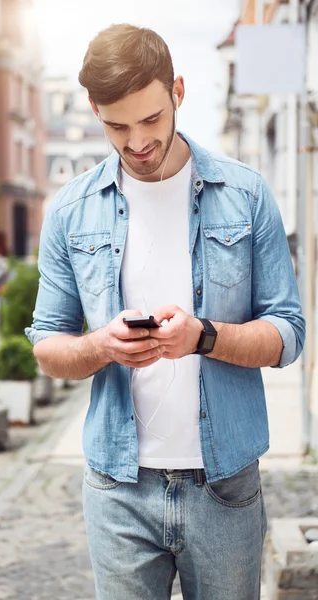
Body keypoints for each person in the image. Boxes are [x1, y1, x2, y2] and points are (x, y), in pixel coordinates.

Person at [25, 24, 305, 600]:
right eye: (117, 126)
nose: (137, 142)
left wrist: (204, 337)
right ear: (94, 111)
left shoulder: (246, 195)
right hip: (118, 491)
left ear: (177, 90)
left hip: (224, 487)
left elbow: (289, 333)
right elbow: (48, 345)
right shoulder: (71, 211)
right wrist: (102, 345)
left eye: (150, 119)